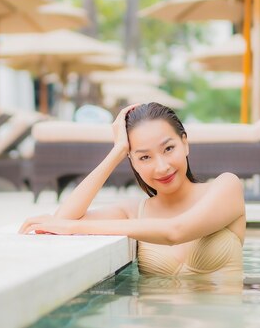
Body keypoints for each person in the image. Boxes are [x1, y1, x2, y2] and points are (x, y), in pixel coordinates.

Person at [19, 102, 245, 277]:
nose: (162, 167)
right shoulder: (134, 212)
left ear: (184, 143)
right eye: (144, 157)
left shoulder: (226, 186)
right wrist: (118, 150)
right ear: (132, 162)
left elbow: (175, 232)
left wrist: (75, 226)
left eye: (168, 148)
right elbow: (63, 219)